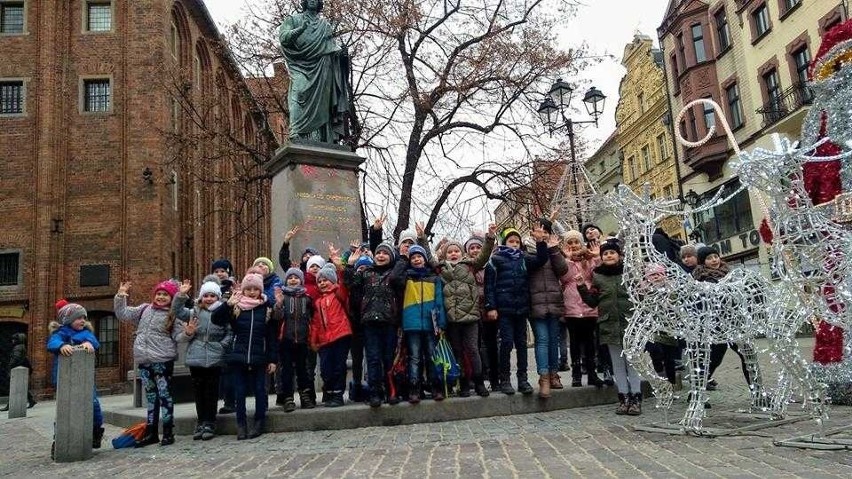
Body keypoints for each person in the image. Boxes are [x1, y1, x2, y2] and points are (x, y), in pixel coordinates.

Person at [114, 279, 184, 446]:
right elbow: (123, 314)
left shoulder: (173, 315)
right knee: (151, 397)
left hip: (162, 360)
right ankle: (151, 432)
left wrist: (188, 333)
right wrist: (120, 296)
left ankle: (168, 432)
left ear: (172, 298)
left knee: (165, 395)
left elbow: (178, 337)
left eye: (165, 294)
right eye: (159, 293)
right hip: (144, 360)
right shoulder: (144, 309)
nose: (160, 297)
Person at [577, 240, 641, 415]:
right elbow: (592, 302)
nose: (609, 255)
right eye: (605, 253)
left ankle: (636, 397)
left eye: (612, 252)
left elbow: (639, 295)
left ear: (619, 255)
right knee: (618, 364)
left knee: (633, 363)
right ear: (602, 257)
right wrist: (582, 286)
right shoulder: (597, 276)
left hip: (629, 323)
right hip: (609, 325)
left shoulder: (628, 273)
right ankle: (623, 397)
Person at [432, 224, 497, 398]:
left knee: (473, 350)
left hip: (471, 317)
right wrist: (423, 239)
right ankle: (464, 383)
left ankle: (479, 382)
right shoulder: (442, 270)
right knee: (457, 351)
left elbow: (483, 256)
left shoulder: (470, 266)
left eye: (456, 251)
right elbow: (429, 260)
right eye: (450, 252)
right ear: (445, 255)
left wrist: (490, 238)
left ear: (462, 253)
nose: (453, 254)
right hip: (452, 318)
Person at [212, 272, 279, 440]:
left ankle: (259, 422)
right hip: (238, 356)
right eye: (248, 289)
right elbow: (216, 319)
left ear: (260, 290)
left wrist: (272, 359)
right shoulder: (237, 307)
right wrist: (227, 305)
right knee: (239, 392)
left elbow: (271, 337)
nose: (251, 292)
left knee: (260, 390)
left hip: (259, 356)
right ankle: (241, 425)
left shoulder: (266, 309)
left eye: (255, 289)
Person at [484, 225, 548, 395]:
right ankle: (505, 379)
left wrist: (540, 241)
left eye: (517, 241)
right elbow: (489, 286)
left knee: (521, 344)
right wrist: (491, 307)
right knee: (506, 343)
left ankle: (523, 379)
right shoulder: (495, 260)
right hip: (504, 309)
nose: (514, 244)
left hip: (521, 308)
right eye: (511, 241)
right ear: (504, 242)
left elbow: (541, 260)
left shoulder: (524, 258)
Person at [278, 0, 351, 143]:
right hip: (300, 65)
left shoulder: (325, 26)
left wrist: (341, 55)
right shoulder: (293, 20)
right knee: (299, 92)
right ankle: (295, 131)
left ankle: (322, 139)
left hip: (323, 67)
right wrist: (300, 30)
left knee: (323, 104)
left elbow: (331, 49)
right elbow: (284, 38)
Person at [345, 242, 407, 407]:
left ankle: (391, 391)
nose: (381, 255)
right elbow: (352, 284)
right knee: (373, 358)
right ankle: (375, 392)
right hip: (370, 322)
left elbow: (398, 280)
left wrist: (401, 258)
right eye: (378, 252)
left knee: (388, 358)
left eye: (385, 253)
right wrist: (350, 265)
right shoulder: (366, 273)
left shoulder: (393, 273)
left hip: (389, 321)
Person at [172, 279, 231, 441]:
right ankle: (201, 421)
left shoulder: (222, 312)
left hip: (215, 355)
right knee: (199, 392)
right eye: (206, 295)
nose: (209, 298)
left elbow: (229, 332)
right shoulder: (194, 311)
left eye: (213, 295)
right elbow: (177, 311)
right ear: (201, 297)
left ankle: (210, 422)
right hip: (196, 355)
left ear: (218, 297)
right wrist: (181, 295)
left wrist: (221, 346)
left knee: (211, 392)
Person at [46, 303, 103, 452]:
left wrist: (88, 343)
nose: (82, 320)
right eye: (78, 318)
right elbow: (52, 343)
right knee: (64, 411)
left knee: (94, 405)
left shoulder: (86, 333)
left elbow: (95, 342)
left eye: (84, 317)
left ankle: (95, 432)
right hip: (66, 379)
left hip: (85, 379)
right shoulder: (60, 333)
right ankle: (58, 440)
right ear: (68, 319)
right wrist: (61, 346)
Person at [527, 218, 570, 398]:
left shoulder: (554, 250)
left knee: (553, 340)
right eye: (539, 230)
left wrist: (553, 249)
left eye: (546, 231)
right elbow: (533, 265)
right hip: (536, 303)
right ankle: (543, 377)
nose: (542, 234)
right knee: (543, 340)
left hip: (553, 301)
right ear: (532, 232)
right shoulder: (527, 251)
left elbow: (562, 270)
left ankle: (554, 374)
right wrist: (540, 245)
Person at [401, 244, 447, 403]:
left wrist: (441, 323)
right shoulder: (406, 277)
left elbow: (439, 301)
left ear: (425, 259)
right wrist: (402, 258)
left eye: (419, 256)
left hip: (430, 323)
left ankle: (436, 387)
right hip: (411, 323)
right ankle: (414, 388)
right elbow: (394, 277)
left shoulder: (434, 278)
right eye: (413, 257)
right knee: (414, 357)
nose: (416, 259)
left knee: (432, 356)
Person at [560, 230, 604, 388]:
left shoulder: (589, 260)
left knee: (590, 343)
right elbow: (565, 277)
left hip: (588, 307)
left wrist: (597, 256)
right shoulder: (565, 261)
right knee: (575, 343)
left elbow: (597, 275)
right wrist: (568, 259)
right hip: (571, 306)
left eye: (576, 242)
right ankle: (576, 374)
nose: (573, 245)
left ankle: (592, 373)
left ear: (581, 243)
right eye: (570, 243)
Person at [310, 264, 352, 407]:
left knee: (339, 366)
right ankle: (329, 390)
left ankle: (337, 394)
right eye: (319, 281)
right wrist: (313, 340)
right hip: (324, 339)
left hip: (340, 335)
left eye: (325, 280)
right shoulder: (317, 301)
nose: (322, 283)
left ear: (333, 281)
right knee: (326, 368)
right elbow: (315, 323)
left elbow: (343, 282)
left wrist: (340, 268)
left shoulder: (338, 294)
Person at [274, 268, 316, 411]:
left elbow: (312, 317)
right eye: (290, 277)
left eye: (296, 277)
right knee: (286, 371)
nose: (293, 279)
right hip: (286, 339)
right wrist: (278, 305)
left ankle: (305, 396)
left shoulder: (307, 298)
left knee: (303, 370)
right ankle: (288, 398)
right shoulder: (283, 297)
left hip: (303, 340)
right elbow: (277, 317)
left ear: (301, 280)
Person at [1, 332, 36, 411]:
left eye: (14, 339)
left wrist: (10, 365)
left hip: (16, 370)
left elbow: (16, 358)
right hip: (21, 369)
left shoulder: (18, 347)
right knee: (20, 386)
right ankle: (31, 400)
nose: (12, 341)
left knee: (13, 387)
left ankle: (10, 405)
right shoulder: (22, 347)